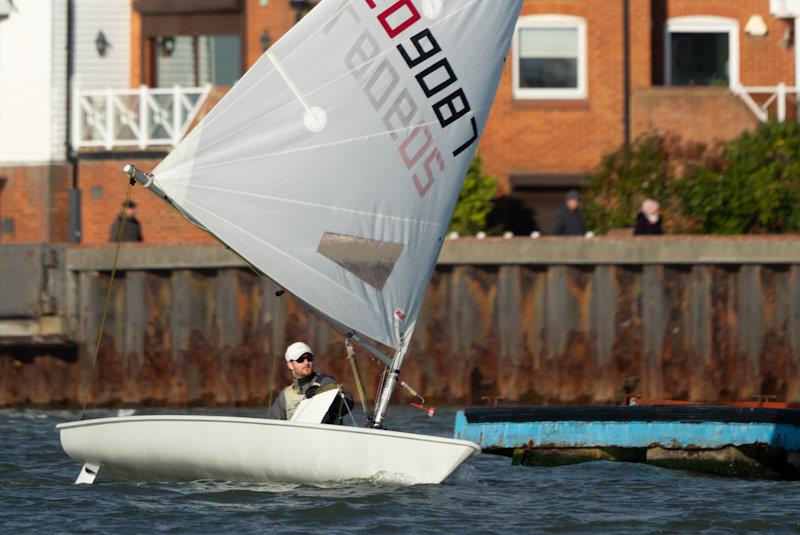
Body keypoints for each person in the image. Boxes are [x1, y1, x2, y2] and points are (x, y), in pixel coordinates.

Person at [267, 341, 354, 424]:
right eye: (300, 359)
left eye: (309, 358)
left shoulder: (325, 382)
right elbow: (272, 426)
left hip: (324, 438)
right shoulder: (285, 395)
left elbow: (348, 404)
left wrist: (320, 392)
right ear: (290, 365)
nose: (306, 362)